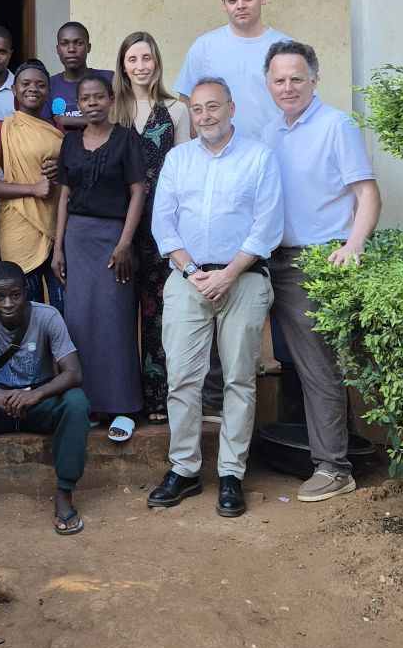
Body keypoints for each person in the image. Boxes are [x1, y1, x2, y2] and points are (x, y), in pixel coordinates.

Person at [148, 76, 282, 518]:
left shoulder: (259, 158)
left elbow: (266, 226)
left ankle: (231, 475)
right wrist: (192, 271)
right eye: (199, 109)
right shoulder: (178, 159)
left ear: (231, 109)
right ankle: (184, 470)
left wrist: (228, 273)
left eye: (214, 107)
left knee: (239, 379)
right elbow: (163, 224)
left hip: (242, 279)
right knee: (182, 378)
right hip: (187, 281)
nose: (205, 116)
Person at [263, 41, 382, 502]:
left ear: (314, 79)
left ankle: (334, 467)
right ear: (268, 84)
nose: (288, 87)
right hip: (271, 260)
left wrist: (353, 244)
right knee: (289, 364)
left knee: (318, 367)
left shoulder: (337, 126)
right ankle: (307, 452)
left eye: (296, 78)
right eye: (279, 79)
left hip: (314, 261)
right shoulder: (271, 131)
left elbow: (368, 195)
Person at [0, 262, 91, 537]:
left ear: (26, 292)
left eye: (15, 295)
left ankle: (65, 494)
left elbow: (73, 372)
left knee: (76, 401)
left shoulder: (48, 316)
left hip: (38, 403)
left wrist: (36, 395)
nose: (7, 303)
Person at [52, 73, 147, 425]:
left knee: (115, 319)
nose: (92, 104)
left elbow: (138, 190)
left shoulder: (126, 139)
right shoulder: (71, 142)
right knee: (79, 321)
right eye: (86, 98)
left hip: (113, 240)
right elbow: (64, 195)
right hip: (77, 239)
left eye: (98, 97)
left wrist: (124, 242)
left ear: (110, 100)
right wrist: (58, 247)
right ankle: (87, 404)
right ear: (79, 103)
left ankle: (121, 405)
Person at [111, 31, 191, 423]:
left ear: (157, 62)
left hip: (162, 225)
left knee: (159, 312)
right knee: (120, 311)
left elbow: (184, 172)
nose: (140, 66)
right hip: (118, 225)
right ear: (122, 65)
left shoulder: (175, 109)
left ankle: (159, 397)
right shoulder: (113, 110)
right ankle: (122, 398)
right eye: (132, 59)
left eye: (147, 58)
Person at [0, 60, 64, 304]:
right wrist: (33, 189)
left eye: (40, 85)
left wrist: (60, 170)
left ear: (48, 91)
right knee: (26, 304)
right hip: (18, 226)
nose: (32, 89)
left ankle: (61, 344)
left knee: (62, 302)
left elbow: (72, 175)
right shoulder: (1, 128)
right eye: (25, 84)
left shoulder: (58, 128)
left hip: (57, 222)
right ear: (14, 90)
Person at [175, 0, 287, 140]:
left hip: (275, 152)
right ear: (223, 4)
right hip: (219, 158)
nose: (240, 5)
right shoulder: (204, 47)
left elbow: (303, 104)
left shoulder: (286, 48)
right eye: (232, 0)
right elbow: (186, 103)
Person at [41, 21, 113, 129]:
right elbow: (44, 125)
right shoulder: (48, 85)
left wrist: (68, 120)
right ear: (57, 49)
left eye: (79, 43)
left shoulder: (109, 78)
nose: (71, 49)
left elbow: (117, 118)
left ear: (88, 47)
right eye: (64, 44)